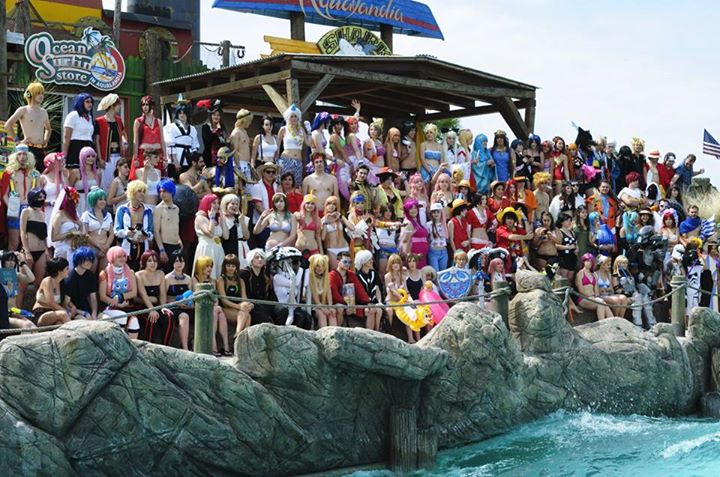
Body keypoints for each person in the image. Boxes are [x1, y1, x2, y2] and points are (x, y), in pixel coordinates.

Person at [5, 81, 51, 173]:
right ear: (31, 94)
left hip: (40, 150)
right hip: (27, 149)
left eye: (42, 93)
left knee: (41, 176)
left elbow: (48, 129)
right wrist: (17, 141)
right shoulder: (23, 110)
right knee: (26, 175)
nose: (41, 96)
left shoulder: (44, 112)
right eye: (38, 93)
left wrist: (45, 140)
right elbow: (8, 125)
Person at [2, 145, 40, 251]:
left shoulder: (35, 174)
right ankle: (9, 262)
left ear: (29, 156)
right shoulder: (9, 173)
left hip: (30, 209)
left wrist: (36, 210)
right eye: (19, 154)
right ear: (15, 156)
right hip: (14, 210)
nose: (22, 157)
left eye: (24, 154)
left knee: (29, 243)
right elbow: (4, 194)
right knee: (14, 243)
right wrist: (12, 208)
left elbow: (38, 194)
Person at [192, 256, 232, 356]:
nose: (209, 268)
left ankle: (225, 345)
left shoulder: (213, 281)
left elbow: (215, 299)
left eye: (210, 266)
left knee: (218, 311)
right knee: (216, 310)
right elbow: (197, 298)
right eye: (207, 266)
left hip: (213, 307)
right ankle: (214, 346)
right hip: (198, 309)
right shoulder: (194, 279)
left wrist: (215, 306)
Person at [135, 251, 175, 346]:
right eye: (149, 261)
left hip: (157, 305)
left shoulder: (160, 273)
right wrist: (151, 309)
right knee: (153, 319)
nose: (153, 263)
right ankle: (149, 347)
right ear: (144, 262)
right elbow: (143, 294)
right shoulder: (138, 275)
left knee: (169, 316)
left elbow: (162, 294)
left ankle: (166, 346)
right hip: (143, 306)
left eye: (155, 261)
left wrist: (163, 307)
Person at [98, 246, 140, 337]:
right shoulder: (104, 273)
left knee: (134, 323)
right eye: (119, 257)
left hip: (127, 306)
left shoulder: (130, 272)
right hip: (110, 307)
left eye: (124, 256)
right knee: (121, 316)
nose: (123, 259)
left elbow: (134, 292)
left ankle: (132, 345)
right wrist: (116, 303)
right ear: (112, 258)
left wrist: (120, 297)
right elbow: (102, 296)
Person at [114, 180, 154, 270]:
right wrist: (126, 233)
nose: (142, 194)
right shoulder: (122, 209)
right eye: (139, 191)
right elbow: (116, 231)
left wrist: (146, 235)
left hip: (144, 249)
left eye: (143, 191)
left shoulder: (148, 210)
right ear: (132, 192)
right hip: (126, 249)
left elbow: (151, 232)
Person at [62, 93, 97, 186]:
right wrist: (64, 155)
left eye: (91, 102)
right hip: (76, 147)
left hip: (89, 148)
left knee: (89, 175)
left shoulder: (90, 118)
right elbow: (66, 136)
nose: (90, 104)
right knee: (74, 175)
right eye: (87, 102)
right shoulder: (73, 115)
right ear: (80, 102)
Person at [96, 93, 128, 190]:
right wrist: (100, 158)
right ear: (112, 106)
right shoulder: (99, 121)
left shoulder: (118, 120)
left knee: (119, 181)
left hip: (118, 156)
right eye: (118, 104)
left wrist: (125, 142)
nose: (119, 106)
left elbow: (123, 134)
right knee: (107, 183)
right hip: (106, 158)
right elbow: (97, 140)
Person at [20, 188, 49, 291]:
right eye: (39, 197)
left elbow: (44, 235)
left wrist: (46, 250)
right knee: (23, 283)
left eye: (43, 197)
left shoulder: (42, 214)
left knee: (39, 282)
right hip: (28, 250)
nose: (42, 199)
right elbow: (22, 232)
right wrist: (27, 252)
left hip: (41, 251)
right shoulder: (26, 211)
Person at [330, 250, 370, 326]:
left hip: (351, 304)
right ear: (338, 262)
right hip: (337, 303)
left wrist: (367, 302)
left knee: (369, 310)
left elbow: (360, 290)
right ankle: (338, 330)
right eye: (345, 262)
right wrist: (346, 305)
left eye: (349, 262)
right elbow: (334, 294)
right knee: (340, 308)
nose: (347, 264)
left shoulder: (351, 274)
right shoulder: (332, 275)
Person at [193, 194, 228, 280]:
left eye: (218, 203)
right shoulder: (200, 218)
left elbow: (226, 236)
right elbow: (210, 233)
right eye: (214, 203)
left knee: (219, 274)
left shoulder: (217, 219)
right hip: (207, 247)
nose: (217, 205)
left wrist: (222, 219)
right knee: (206, 273)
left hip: (218, 248)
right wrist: (211, 218)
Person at [164, 249, 194, 350]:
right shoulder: (167, 278)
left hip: (187, 307)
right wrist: (177, 303)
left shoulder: (188, 279)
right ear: (172, 262)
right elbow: (164, 297)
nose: (179, 263)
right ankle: (185, 348)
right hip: (173, 307)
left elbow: (190, 296)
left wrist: (189, 304)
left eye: (182, 261)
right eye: (176, 261)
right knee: (184, 316)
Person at [217, 254, 253, 334]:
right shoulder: (221, 280)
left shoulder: (240, 281)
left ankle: (240, 335)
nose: (230, 268)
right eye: (228, 265)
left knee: (248, 315)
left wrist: (247, 305)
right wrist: (239, 306)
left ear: (237, 267)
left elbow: (244, 298)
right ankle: (238, 334)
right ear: (224, 266)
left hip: (238, 309)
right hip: (226, 308)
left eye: (233, 266)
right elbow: (224, 301)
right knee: (245, 314)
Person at [80, 188, 114, 272]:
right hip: (91, 249)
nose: (103, 202)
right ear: (94, 200)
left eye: (104, 199)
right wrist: (99, 246)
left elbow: (111, 234)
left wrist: (106, 246)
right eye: (100, 199)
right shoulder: (86, 215)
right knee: (91, 274)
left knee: (104, 275)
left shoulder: (108, 215)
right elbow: (84, 234)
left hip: (105, 249)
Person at [153, 179, 183, 273]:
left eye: (165, 191)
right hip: (164, 245)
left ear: (171, 191)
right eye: (160, 191)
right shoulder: (158, 209)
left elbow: (176, 227)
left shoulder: (176, 208)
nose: (162, 194)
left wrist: (179, 240)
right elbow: (156, 231)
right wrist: (161, 250)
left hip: (176, 245)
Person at [133, 95, 167, 177]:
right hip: (143, 155)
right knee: (142, 178)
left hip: (157, 156)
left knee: (157, 178)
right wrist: (135, 157)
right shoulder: (138, 121)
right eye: (143, 105)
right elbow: (135, 140)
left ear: (151, 106)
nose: (144, 107)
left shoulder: (158, 122)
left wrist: (165, 158)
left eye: (147, 104)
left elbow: (162, 140)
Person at [164, 97, 199, 176]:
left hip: (189, 161)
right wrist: (175, 162)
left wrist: (194, 161)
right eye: (180, 113)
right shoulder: (171, 127)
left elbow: (195, 146)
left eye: (184, 113)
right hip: (175, 161)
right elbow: (170, 145)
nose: (182, 115)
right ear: (177, 114)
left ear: (187, 114)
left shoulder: (192, 129)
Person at [240, 249, 276, 326]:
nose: (260, 259)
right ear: (251, 260)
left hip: (265, 303)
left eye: (262, 257)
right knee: (264, 317)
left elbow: (271, 294)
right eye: (257, 257)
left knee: (282, 311)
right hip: (252, 305)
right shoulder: (244, 274)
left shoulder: (266, 274)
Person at [33, 257, 71, 326]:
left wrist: (71, 309)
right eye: (67, 268)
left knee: (59, 323)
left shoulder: (62, 283)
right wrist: (66, 311)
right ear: (60, 271)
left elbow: (65, 302)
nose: (69, 270)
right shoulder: (47, 281)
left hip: (55, 313)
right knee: (63, 314)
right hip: (41, 314)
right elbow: (51, 303)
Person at [576, 253, 614, 321]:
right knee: (601, 302)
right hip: (583, 299)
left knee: (602, 303)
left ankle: (612, 321)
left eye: (591, 261)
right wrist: (591, 296)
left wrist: (596, 295)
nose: (589, 262)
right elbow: (580, 290)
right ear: (583, 262)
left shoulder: (593, 274)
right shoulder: (580, 274)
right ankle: (603, 324)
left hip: (593, 298)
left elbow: (596, 290)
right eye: (587, 261)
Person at [63, 247, 99, 320]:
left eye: (91, 259)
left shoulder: (90, 275)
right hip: (77, 313)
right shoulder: (70, 278)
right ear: (78, 260)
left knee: (107, 319)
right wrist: (83, 313)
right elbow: (66, 303)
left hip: (88, 310)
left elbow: (93, 298)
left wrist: (94, 313)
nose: (89, 262)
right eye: (86, 260)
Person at [277, 104, 307, 187]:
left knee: (296, 184)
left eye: (295, 116)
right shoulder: (283, 129)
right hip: (286, 159)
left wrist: (309, 131)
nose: (294, 118)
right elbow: (278, 146)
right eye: (291, 116)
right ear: (288, 118)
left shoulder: (301, 130)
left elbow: (308, 143)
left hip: (298, 161)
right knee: (284, 183)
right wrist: (276, 160)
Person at [50, 187, 83, 262]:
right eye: (74, 201)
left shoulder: (75, 215)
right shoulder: (59, 216)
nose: (77, 204)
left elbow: (81, 232)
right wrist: (70, 233)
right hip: (63, 251)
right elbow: (54, 237)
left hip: (75, 249)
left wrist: (80, 226)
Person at [321, 195, 353, 268]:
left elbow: (352, 228)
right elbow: (323, 238)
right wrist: (326, 222)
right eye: (329, 204)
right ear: (325, 205)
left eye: (334, 204)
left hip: (344, 247)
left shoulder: (340, 218)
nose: (331, 206)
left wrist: (341, 216)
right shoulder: (323, 220)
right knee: (334, 270)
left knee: (346, 270)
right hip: (331, 249)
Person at [355, 249, 383, 331]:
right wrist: (367, 302)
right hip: (363, 303)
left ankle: (377, 331)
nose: (372, 261)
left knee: (379, 310)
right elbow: (359, 293)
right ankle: (370, 332)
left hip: (374, 301)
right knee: (371, 310)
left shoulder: (374, 273)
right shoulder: (357, 276)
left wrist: (379, 301)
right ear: (363, 262)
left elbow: (377, 289)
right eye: (369, 260)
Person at [220, 193, 250, 267]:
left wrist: (242, 222)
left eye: (237, 204)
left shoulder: (242, 218)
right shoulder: (221, 219)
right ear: (226, 205)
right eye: (232, 204)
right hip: (226, 248)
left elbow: (247, 236)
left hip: (241, 249)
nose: (235, 206)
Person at [308, 254, 337, 328]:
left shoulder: (326, 278)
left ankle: (334, 333)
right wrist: (323, 308)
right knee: (322, 314)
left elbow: (329, 293)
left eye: (323, 266)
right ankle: (323, 334)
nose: (320, 268)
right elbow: (315, 298)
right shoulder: (309, 278)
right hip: (313, 306)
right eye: (317, 266)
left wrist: (330, 307)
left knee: (332, 314)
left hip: (324, 305)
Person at [400, 198, 429, 268]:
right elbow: (405, 241)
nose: (414, 210)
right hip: (414, 256)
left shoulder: (417, 222)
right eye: (411, 208)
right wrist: (408, 258)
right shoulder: (408, 223)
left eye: (415, 208)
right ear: (407, 210)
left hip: (422, 255)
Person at [228, 109, 254, 181]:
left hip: (246, 164)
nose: (250, 123)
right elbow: (234, 151)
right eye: (249, 120)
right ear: (244, 120)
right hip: (240, 164)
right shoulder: (236, 132)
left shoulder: (245, 132)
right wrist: (238, 167)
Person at [201, 99, 228, 168]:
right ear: (211, 116)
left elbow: (224, 143)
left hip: (222, 158)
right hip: (210, 158)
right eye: (214, 115)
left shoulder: (223, 128)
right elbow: (208, 140)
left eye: (218, 115)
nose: (216, 117)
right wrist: (216, 130)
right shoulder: (206, 127)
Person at [74, 146, 101, 215]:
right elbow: (69, 189)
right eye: (88, 156)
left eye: (93, 156)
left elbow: (99, 189)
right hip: (79, 203)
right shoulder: (76, 172)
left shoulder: (97, 172)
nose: (91, 158)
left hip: (93, 202)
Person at [295, 191, 322, 255]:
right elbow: (293, 234)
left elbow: (318, 236)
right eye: (308, 203)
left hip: (313, 249)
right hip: (299, 250)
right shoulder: (298, 216)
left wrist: (321, 252)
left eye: (312, 204)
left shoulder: (317, 219)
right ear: (304, 204)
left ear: (315, 206)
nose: (310, 205)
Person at [426, 202, 449, 271]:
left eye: (438, 212)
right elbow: (426, 238)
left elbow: (447, 238)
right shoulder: (428, 225)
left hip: (444, 251)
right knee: (435, 272)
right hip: (433, 251)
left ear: (441, 213)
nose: (436, 214)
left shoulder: (444, 224)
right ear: (431, 214)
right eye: (434, 212)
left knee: (443, 272)